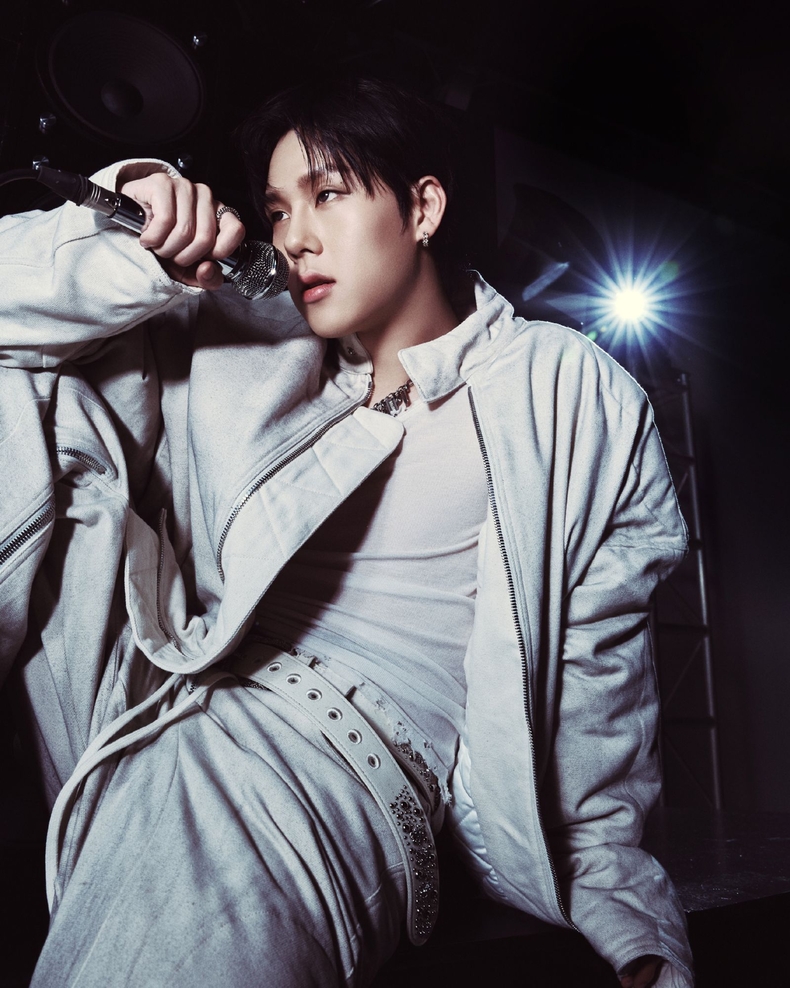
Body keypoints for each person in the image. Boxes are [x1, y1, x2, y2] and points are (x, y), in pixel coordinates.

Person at [0, 78, 693, 987]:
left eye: (327, 195)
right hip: (158, 700)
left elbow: (599, 667)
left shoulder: (560, 385)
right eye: (277, 210)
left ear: (423, 208)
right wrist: (136, 243)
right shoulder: (256, 344)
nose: (294, 236)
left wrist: (625, 908)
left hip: (335, 769)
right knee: (22, 388)